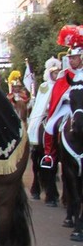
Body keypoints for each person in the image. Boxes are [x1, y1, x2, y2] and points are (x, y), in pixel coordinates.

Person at [41, 27, 83, 169]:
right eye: (70, 58)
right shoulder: (64, 75)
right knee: (50, 126)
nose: (71, 61)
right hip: (67, 107)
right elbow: (57, 94)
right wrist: (68, 95)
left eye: (74, 58)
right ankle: (49, 156)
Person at [27, 57, 61, 205]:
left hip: (61, 112)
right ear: (49, 73)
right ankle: (44, 154)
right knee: (46, 127)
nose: (56, 75)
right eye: (53, 72)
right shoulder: (45, 86)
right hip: (48, 114)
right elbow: (42, 103)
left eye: (58, 72)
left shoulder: (63, 84)